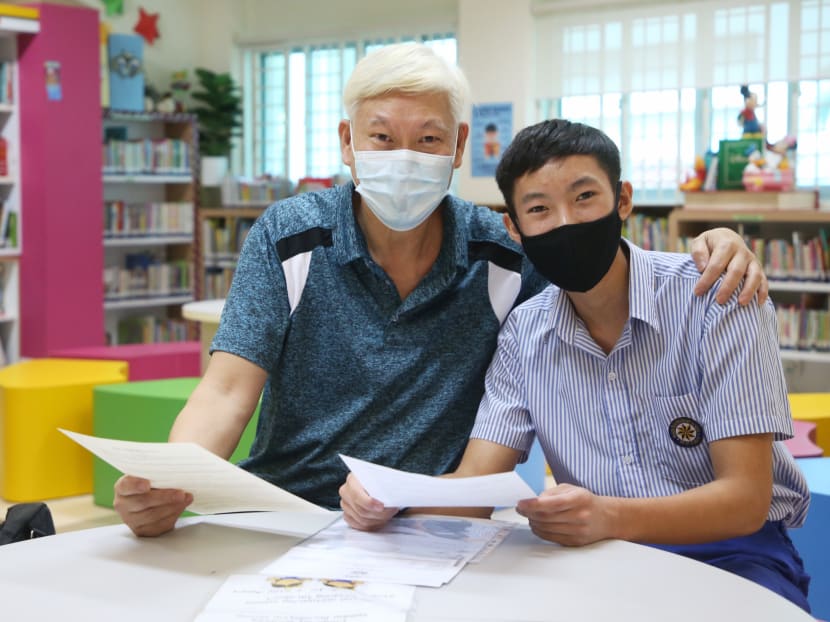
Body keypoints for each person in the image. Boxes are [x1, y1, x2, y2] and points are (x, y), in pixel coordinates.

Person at [114, 44, 767, 538]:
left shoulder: (505, 252)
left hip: (428, 524)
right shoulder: (290, 236)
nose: (404, 157)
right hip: (282, 510)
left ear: (457, 147)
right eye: (381, 137)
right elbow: (226, 391)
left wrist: (716, 243)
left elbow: (597, 269)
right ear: (347, 142)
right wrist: (168, 482)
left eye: (427, 139)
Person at [340, 119, 811, 612]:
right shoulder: (524, 333)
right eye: (539, 209)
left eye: (584, 197)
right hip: (599, 559)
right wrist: (387, 496)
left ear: (622, 200)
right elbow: (476, 485)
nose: (565, 222)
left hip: (734, 555)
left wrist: (608, 516)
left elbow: (745, 500)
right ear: (514, 229)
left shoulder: (717, 296)